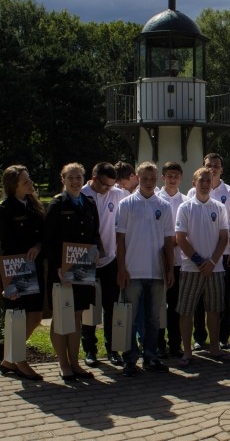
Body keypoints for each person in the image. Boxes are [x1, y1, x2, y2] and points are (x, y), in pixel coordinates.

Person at [43, 163, 101, 382]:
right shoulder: (57, 205)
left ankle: (75, 362)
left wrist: (95, 249)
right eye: (71, 178)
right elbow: (48, 240)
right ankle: (63, 363)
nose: (75, 182)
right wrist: (58, 265)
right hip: (61, 271)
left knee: (77, 315)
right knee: (61, 317)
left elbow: (94, 233)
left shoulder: (89, 203)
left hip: (83, 269)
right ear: (63, 180)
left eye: (78, 177)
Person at [117, 161, 175, 376]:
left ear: (157, 179)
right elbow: (120, 240)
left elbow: (169, 241)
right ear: (137, 178)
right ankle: (129, 359)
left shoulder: (165, 206)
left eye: (152, 178)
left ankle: (150, 357)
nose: (149, 182)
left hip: (156, 271)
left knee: (153, 319)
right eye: (145, 178)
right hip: (133, 271)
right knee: (130, 318)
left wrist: (169, 269)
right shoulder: (127, 204)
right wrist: (121, 269)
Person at [175, 167, 230, 367]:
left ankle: (215, 348)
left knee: (214, 310)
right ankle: (188, 352)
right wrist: (199, 261)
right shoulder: (185, 207)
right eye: (202, 181)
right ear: (194, 183)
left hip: (215, 269)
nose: (206, 184)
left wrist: (213, 261)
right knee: (186, 311)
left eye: (209, 180)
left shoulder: (220, 207)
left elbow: (224, 237)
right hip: (192, 268)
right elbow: (180, 238)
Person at [0, 165, 45, 381]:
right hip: (17, 269)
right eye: (25, 181)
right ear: (13, 185)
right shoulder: (5, 209)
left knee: (36, 316)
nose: (30, 184)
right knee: (18, 316)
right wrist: (11, 282)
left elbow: (43, 234)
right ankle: (19, 360)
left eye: (29, 179)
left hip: (36, 266)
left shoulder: (34, 206)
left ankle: (9, 359)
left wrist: (38, 246)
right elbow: (7, 245)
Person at [187, 153, 230, 351]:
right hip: (201, 254)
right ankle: (200, 337)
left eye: (216, 165)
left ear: (222, 169)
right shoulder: (193, 192)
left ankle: (222, 337)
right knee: (199, 299)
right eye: (209, 165)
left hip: (225, 253)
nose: (213, 168)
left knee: (222, 298)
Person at [80, 162, 126, 368]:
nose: (108, 189)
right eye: (105, 185)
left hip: (110, 260)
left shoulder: (117, 194)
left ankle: (113, 349)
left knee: (111, 306)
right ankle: (90, 349)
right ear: (94, 178)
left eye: (111, 185)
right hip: (86, 260)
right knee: (88, 307)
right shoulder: (81, 194)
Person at [156, 161, 187, 359]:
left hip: (179, 261)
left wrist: (175, 242)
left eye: (176, 175)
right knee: (160, 306)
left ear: (181, 178)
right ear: (163, 177)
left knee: (176, 306)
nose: (172, 179)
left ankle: (176, 344)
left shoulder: (186, 201)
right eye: (169, 175)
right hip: (158, 260)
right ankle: (159, 344)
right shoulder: (157, 200)